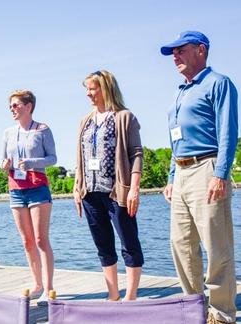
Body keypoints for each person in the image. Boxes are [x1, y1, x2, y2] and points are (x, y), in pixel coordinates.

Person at [161, 31, 238, 324]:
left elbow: (228, 132)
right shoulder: (180, 91)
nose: (175, 56)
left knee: (216, 245)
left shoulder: (219, 83)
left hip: (207, 168)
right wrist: (170, 176)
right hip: (180, 173)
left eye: (181, 50)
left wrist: (220, 174)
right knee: (180, 244)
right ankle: (193, 308)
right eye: (173, 53)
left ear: (201, 50)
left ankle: (221, 314)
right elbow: (175, 140)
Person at [73, 70, 144, 301]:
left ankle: (130, 296)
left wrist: (133, 188)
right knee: (103, 245)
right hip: (90, 193)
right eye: (87, 89)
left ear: (105, 88)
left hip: (117, 193)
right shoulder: (85, 121)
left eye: (92, 89)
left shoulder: (125, 117)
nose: (88, 94)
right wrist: (77, 187)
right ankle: (113, 294)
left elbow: (136, 154)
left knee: (129, 243)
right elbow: (80, 157)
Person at [1, 90, 57, 305]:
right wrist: (5, 166)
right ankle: (37, 285)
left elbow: (53, 158)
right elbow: (3, 163)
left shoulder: (42, 129)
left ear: (29, 106)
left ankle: (49, 288)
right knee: (27, 242)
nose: (12, 109)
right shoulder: (7, 133)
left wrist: (32, 163)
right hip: (16, 189)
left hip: (38, 188)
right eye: (11, 107)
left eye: (16, 105)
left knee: (41, 239)